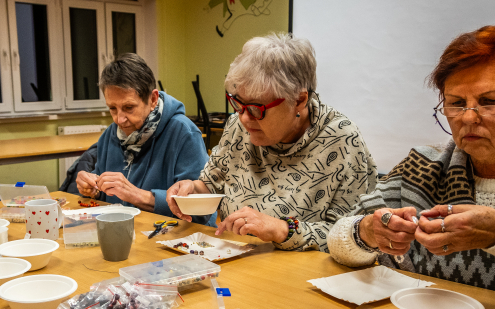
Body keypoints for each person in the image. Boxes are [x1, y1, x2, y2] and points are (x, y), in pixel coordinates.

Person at [328, 20, 495, 301]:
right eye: (457, 103)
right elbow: (337, 237)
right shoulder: (424, 167)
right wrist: (366, 232)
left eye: (490, 101)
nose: (469, 118)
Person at [167, 33, 378, 251]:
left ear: (299, 100)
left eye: (257, 109)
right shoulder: (238, 127)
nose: (244, 118)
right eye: (237, 104)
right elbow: (211, 185)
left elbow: (357, 238)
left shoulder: (342, 140)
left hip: (304, 276)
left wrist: (283, 230)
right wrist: (191, 190)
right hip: (236, 262)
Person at [75, 54, 213, 224]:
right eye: (112, 108)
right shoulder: (109, 136)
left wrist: (137, 196)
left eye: (129, 107)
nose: (119, 119)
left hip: (175, 240)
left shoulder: (184, 134)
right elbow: (106, 201)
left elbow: (201, 211)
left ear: (153, 99)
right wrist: (93, 188)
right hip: (128, 235)